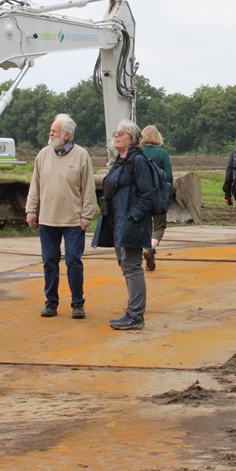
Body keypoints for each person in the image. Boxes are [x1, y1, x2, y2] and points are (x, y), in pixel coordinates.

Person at [26, 113, 96, 320]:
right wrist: (31, 210)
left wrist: (87, 216)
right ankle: (51, 303)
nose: (50, 134)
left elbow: (88, 189)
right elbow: (35, 186)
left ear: (66, 135)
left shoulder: (81, 155)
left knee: (73, 261)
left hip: (74, 221)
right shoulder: (43, 155)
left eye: (54, 131)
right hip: (47, 220)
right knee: (49, 262)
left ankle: (78, 303)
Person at [93, 120, 154, 331]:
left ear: (132, 138)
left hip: (130, 223)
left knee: (132, 267)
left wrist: (133, 217)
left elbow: (147, 194)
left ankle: (136, 315)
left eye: (121, 133)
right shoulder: (120, 161)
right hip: (117, 222)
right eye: (115, 133)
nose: (116, 135)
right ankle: (133, 312)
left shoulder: (138, 161)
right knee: (125, 266)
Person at [139, 124, 172, 271]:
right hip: (158, 196)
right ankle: (151, 249)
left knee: (145, 227)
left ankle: (149, 256)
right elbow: (169, 176)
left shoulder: (138, 153)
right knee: (159, 227)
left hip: (140, 197)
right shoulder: (162, 153)